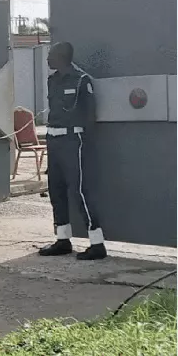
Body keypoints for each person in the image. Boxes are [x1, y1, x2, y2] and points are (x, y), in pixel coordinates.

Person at [39, 42, 106, 260]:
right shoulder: (53, 80)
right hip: (53, 139)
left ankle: (97, 243)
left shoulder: (81, 80)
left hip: (73, 140)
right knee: (55, 190)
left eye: (51, 55)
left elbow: (90, 115)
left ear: (62, 56)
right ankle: (62, 240)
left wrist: (85, 141)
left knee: (79, 192)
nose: (47, 59)